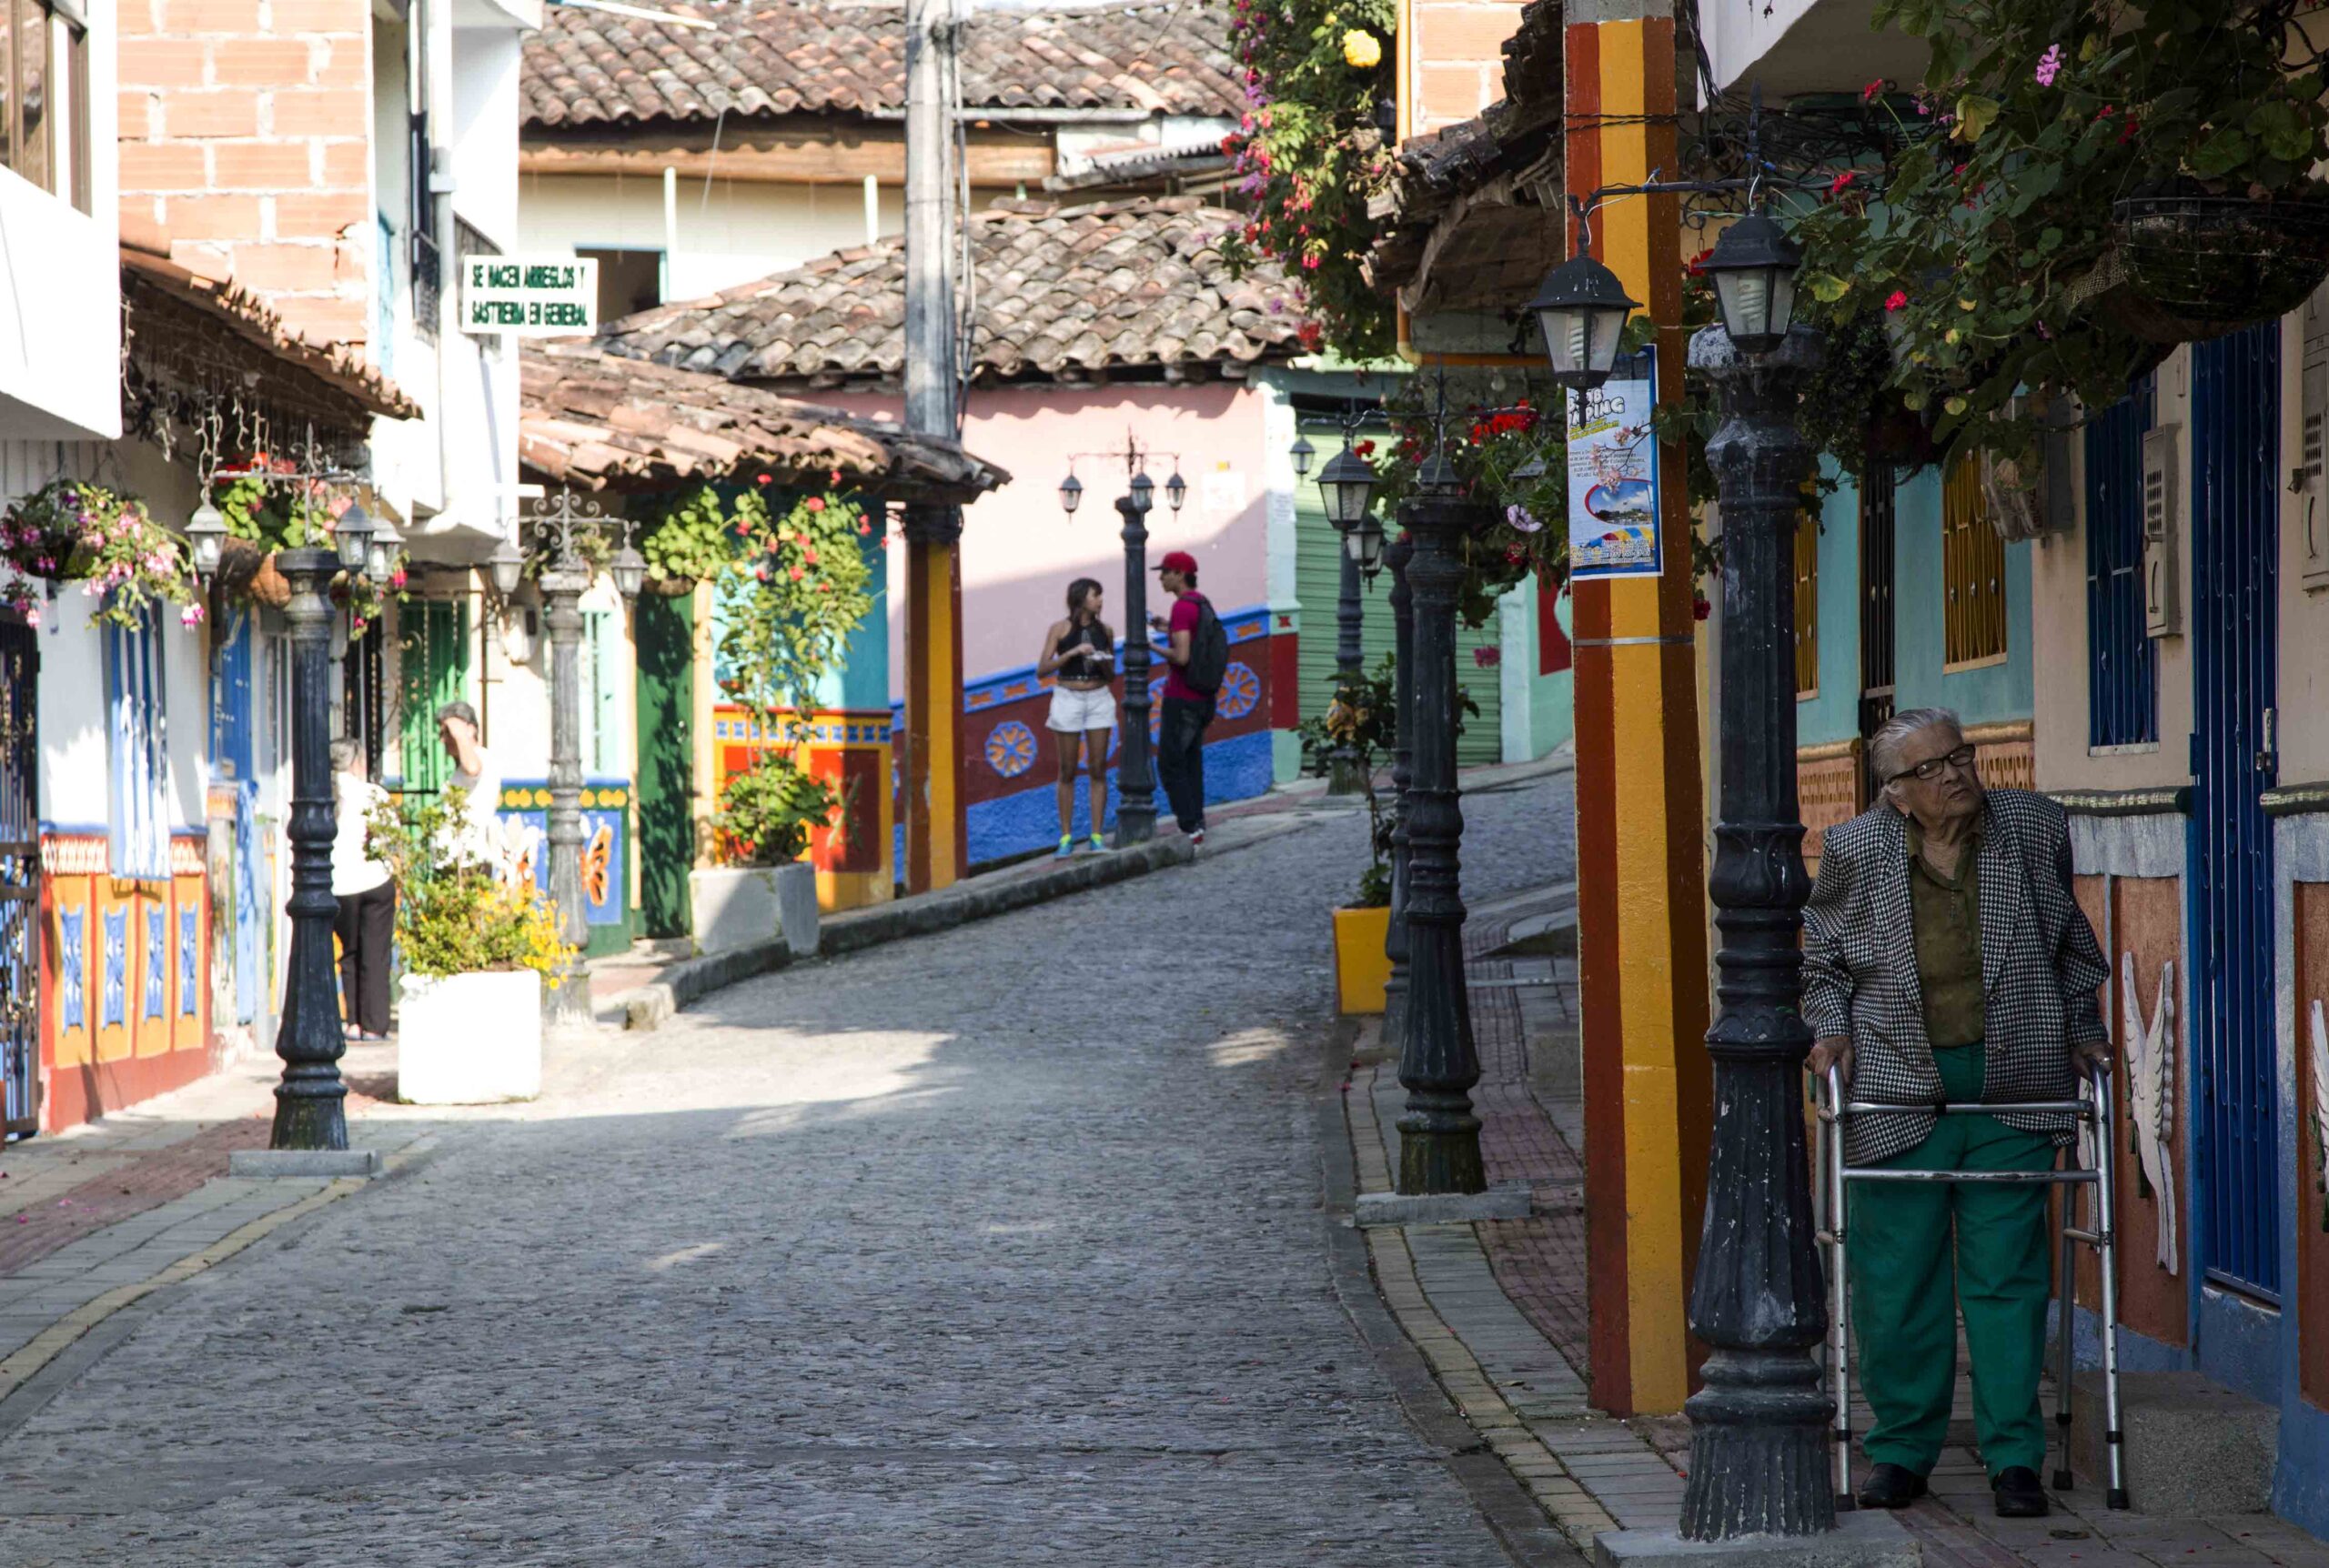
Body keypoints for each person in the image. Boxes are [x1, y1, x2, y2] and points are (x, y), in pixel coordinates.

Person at [1803, 707, 2110, 1521]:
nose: (1956, 774)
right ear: (1895, 792)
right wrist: (1829, 1027)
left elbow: (2074, 950)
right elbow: (1823, 958)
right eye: (1931, 769)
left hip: (2014, 1077)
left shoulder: (2034, 827)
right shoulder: (1855, 850)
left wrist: (2084, 1032)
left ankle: (2016, 1458)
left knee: (2008, 1277)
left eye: (1960, 757)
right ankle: (1902, 1451)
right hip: (1897, 1081)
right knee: (1895, 1278)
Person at [1037, 577, 1115, 857]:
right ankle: (1066, 837)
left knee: (1098, 768)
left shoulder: (1105, 631)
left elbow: (1112, 673)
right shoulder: (1059, 629)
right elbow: (1042, 669)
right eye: (1096, 595)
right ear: (1081, 598)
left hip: (1098, 696)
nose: (1100, 601)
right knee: (1067, 769)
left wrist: (1102, 661)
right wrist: (1071, 653)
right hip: (1068, 696)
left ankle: (1096, 836)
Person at [1148, 550, 1218, 848]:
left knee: (1170, 763)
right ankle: (1197, 821)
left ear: (1179, 573)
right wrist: (1164, 627)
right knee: (1191, 760)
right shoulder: (1200, 604)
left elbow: (1181, 655)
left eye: (1165, 572)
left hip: (1181, 697)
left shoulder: (1181, 607)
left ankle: (1190, 825)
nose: (1161, 578)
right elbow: (1188, 636)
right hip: (1203, 697)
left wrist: (1150, 646)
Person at [329, 738, 395, 1040]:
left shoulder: (325, 795)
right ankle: (375, 1024)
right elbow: (390, 838)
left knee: (350, 952)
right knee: (376, 954)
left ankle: (353, 1021)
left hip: (340, 885)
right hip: (374, 880)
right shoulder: (372, 794)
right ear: (356, 762)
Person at [435, 700, 507, 876]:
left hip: (468, 861)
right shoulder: (462, 767)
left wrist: (460, 735)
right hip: (456, 860)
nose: (444, 740)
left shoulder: (480, 758)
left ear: (470, 729)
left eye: (448, 733)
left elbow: (473, 768)